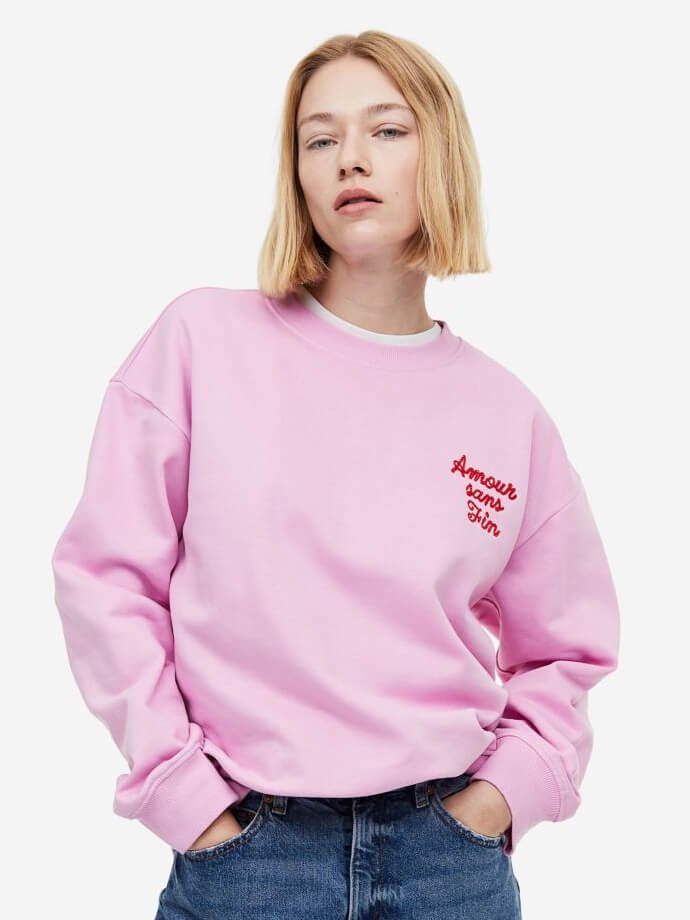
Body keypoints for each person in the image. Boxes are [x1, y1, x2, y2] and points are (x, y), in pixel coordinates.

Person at [51, 29, 620, 920]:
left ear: (442, 154)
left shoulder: (508, 416)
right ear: (299, 175)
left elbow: (567, 647)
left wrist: (503, 798)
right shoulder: (201, 344)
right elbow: (105, 580)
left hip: (449, 865)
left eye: (387, 130)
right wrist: (186, 799)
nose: (351, 157)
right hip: (248, 857)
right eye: (320, 139)